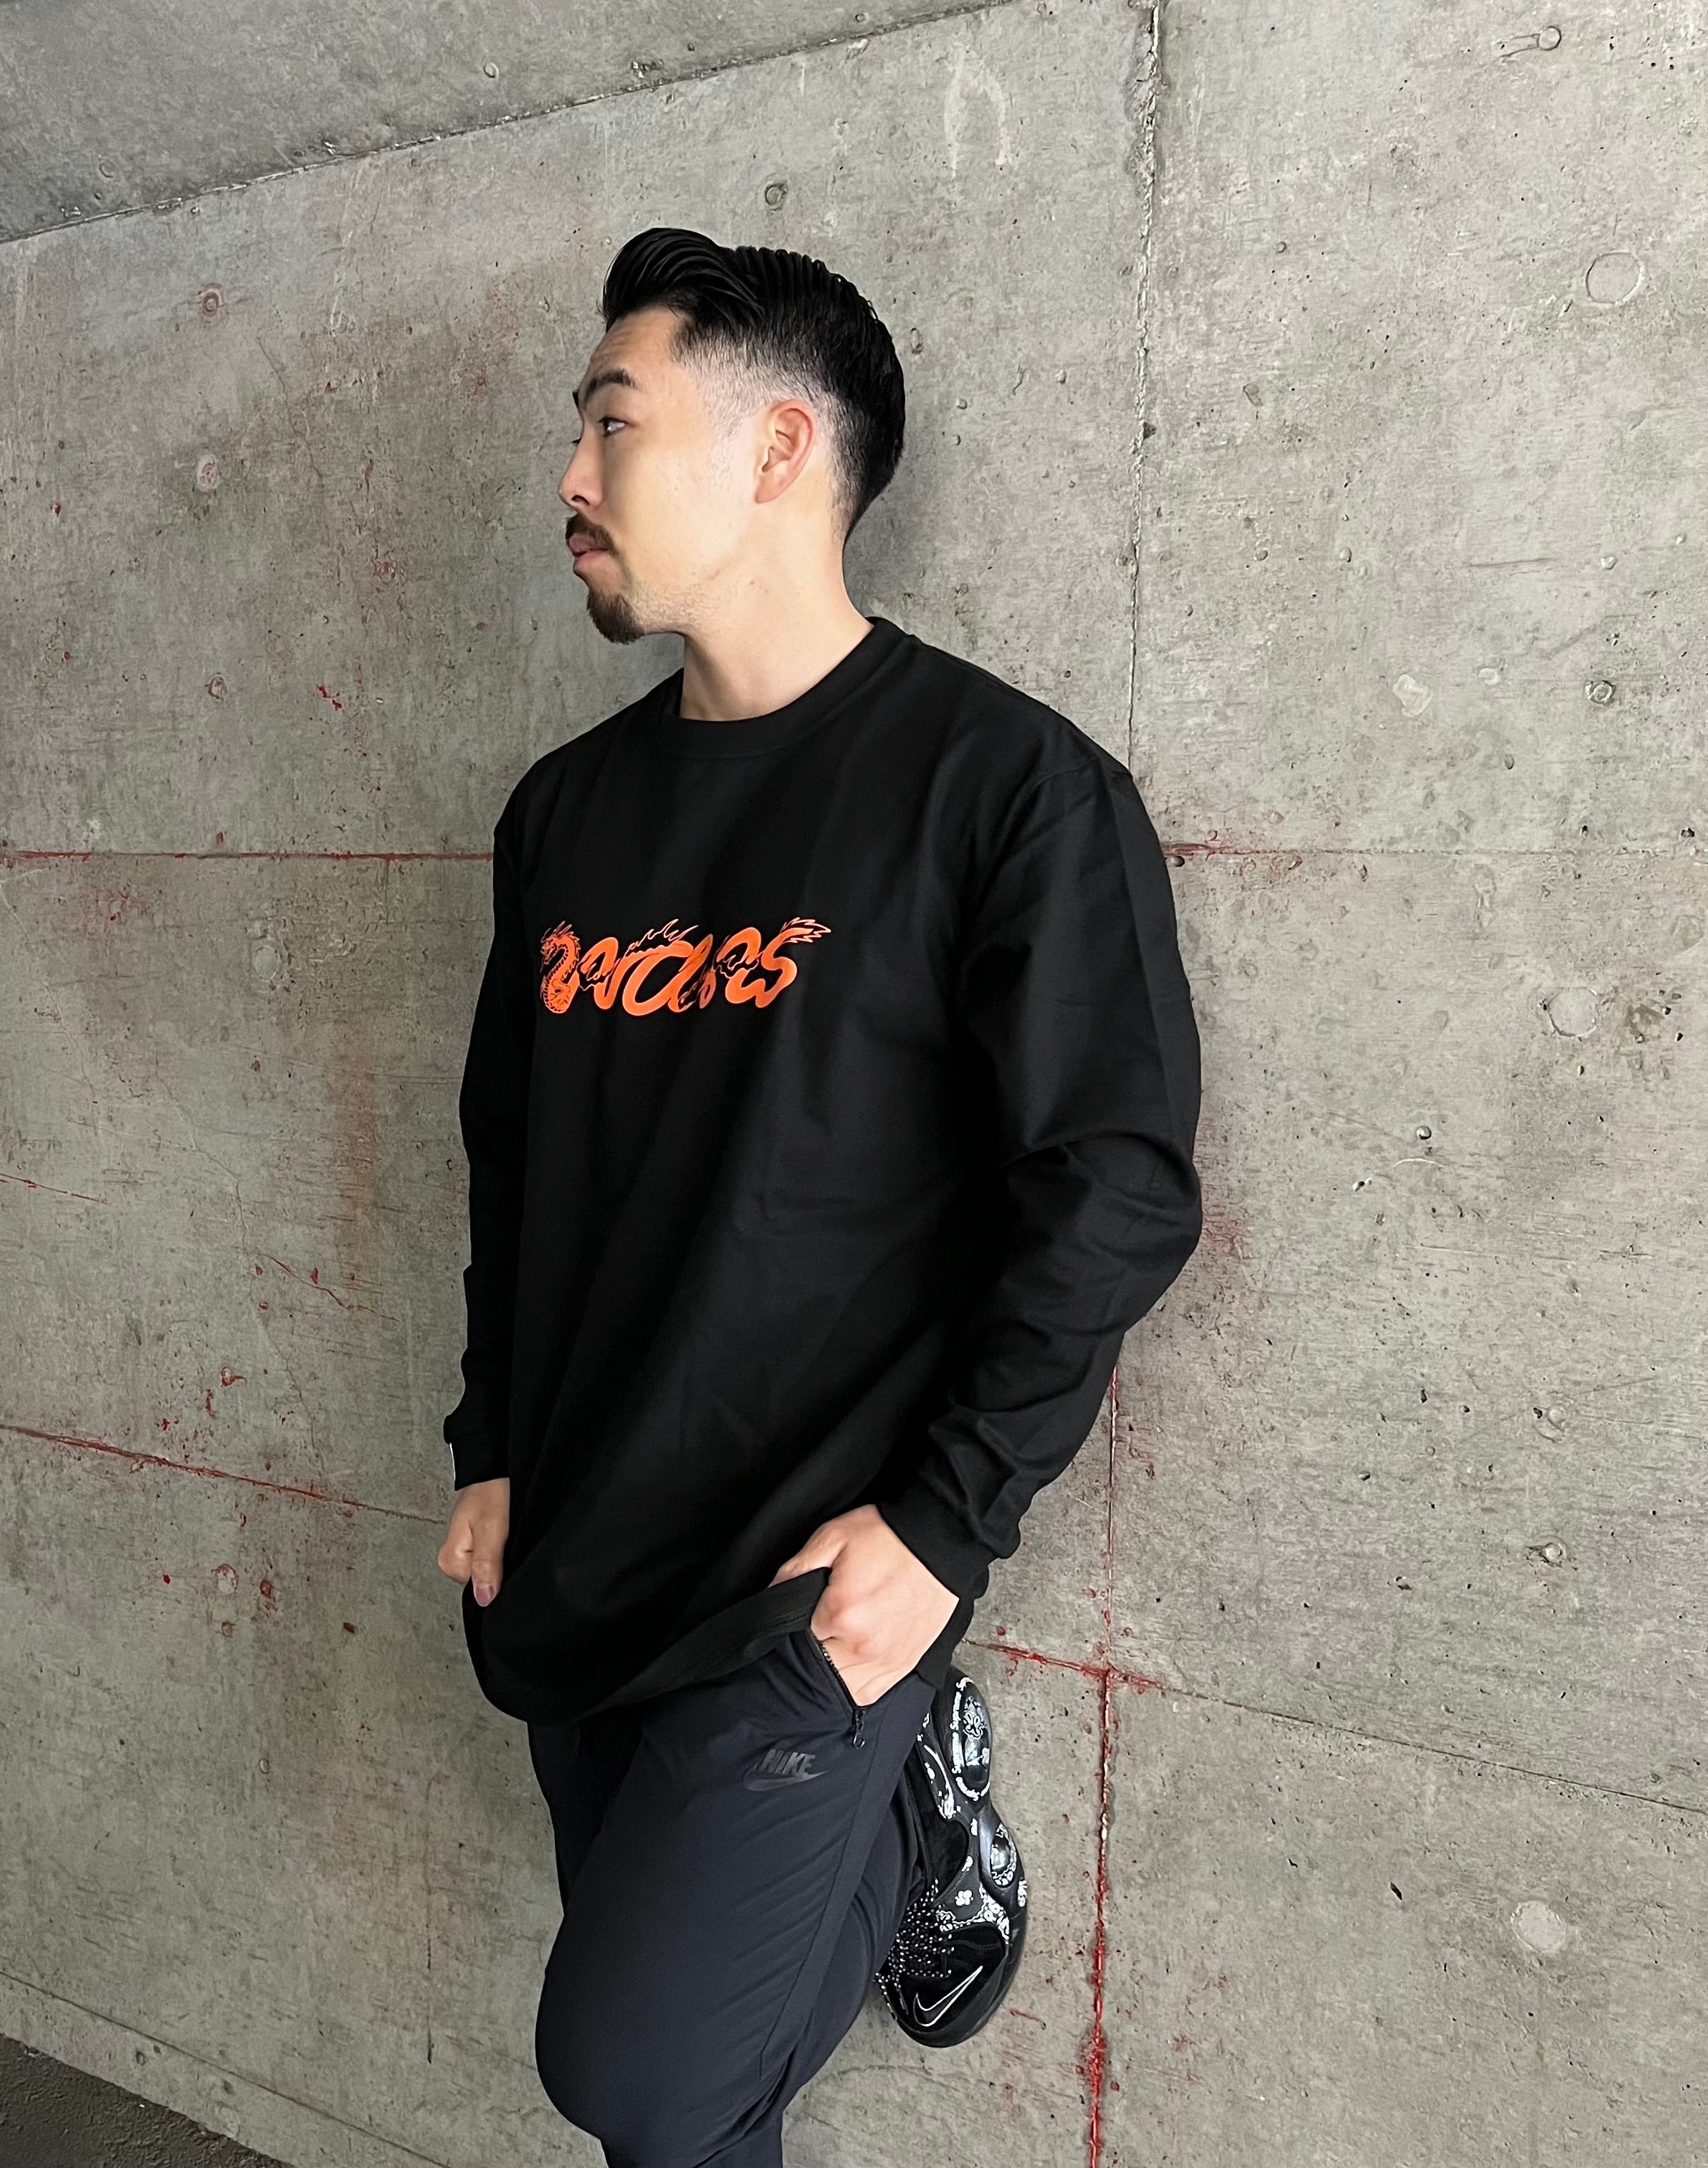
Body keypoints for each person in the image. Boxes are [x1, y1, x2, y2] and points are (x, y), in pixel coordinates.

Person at [434, 226, 1204, 2167]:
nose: (570, 479)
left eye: (613, 425)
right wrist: (495, 1440)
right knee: (697, 2122)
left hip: (811, 1574)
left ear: (780, 449)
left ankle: (910, 1808)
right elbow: (514, 1152)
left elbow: (1111, 1190)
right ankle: (900, 1833)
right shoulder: (564, 815)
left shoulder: (1006, 791)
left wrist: (945, 1528)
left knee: (640, 2074)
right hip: (585, 1529)